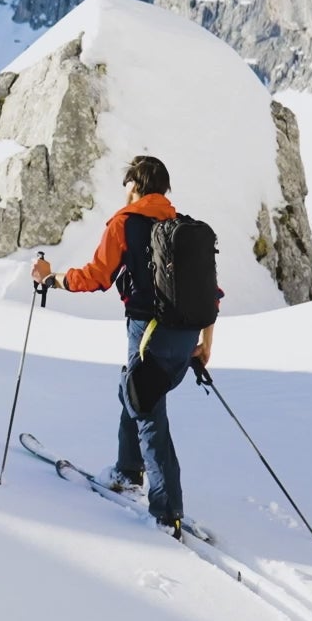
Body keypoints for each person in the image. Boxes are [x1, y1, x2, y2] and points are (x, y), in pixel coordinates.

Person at [30, 155, 216, 537]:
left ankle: (167, 512)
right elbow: (210, 292)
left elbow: (97, 277)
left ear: (136, 186)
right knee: (129, 388)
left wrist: (52, 279)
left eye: (128, 185)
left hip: (149, 333)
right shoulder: (182, 227)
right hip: (186, 337)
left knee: (147, 411)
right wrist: (205, 343)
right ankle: (128, 470)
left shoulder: (125, 223)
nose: (126, 191)